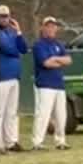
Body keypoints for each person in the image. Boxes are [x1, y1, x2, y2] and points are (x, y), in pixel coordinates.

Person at [0, 5, 29, 152]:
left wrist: (18, 31)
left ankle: (11, 142)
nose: (4, 19)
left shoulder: (11, 32)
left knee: (11, 112)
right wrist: (16, 49)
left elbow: (23, 48)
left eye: (6, 16)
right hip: (0, 77)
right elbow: (9, 49)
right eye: (1, 16)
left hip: (13, 76)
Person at [29, 15, 72, 151]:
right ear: (43, 28)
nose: (51, 28)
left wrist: (55, 58)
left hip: (58, 84)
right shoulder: (39, 45)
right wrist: (58, 61)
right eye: (48, 26)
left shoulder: (58, 44)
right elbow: (46, 63)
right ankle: (37, 142)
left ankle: (60, 141)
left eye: (53, 26)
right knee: (43, 114)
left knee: (61, 115)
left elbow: (68, 60)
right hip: (45, 84)